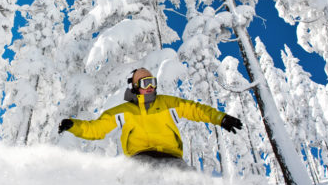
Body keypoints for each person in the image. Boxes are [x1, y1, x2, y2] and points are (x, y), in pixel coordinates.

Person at [58, 67, 243, 169]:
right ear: (135, 86)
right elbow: (96, 129)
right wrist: (73, 125)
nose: (151, 87)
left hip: (171, 157)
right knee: (138, 178)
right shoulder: (124, 111)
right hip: (140, 157)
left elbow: (196, 110)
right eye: (146, 83)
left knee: (187, 179)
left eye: (153, 82)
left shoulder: (167, 103)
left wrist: (221, 118)